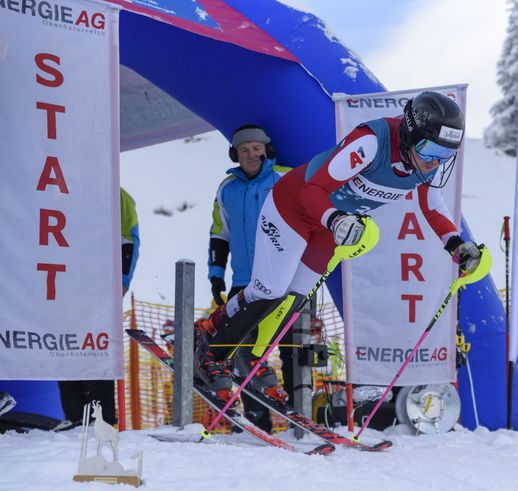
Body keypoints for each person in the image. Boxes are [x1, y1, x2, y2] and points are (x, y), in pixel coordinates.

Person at [193, 92, 482, 402]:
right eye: (431, 149)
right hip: (293, 209)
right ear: (412, 133)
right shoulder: (371, 142)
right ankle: (210, 349)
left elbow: (432, 203)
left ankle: (248, 355)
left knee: (292, 299)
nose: (435, 160)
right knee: (270, 289)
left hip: (330, 228)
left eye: (445, 153)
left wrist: (455, 244)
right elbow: (312, 189)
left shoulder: (424, 160)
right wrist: (335, 220)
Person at [207, 124, 291, 429]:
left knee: (292, 348)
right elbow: (220, 233)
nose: (251, 155)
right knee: (243, 349)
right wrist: (216, 274)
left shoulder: (286, 178)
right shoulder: (227, 188)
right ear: (236, 155)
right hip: (245, 282)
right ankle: (258, 420)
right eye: (244, 150)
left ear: (266, 150)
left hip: (287, 279)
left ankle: (296, 416)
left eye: (256, 148)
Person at [56, 188, 140, 430]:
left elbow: (129, 238)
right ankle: (74, 417)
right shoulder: (58, 190)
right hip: (63, 281)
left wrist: (123, 280)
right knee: (63, 344)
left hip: (99, 285)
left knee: (96, 347)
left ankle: (101, 419)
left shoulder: (115, 191)